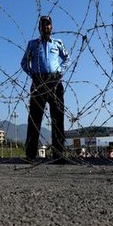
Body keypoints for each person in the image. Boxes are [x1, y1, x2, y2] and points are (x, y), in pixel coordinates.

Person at [20, 15, 70, 162]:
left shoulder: (58, 43)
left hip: (55, 82)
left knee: (58, 118)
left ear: (52, 27)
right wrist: (33, 74)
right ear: (39, 28)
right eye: (43, 25)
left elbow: (67, 58)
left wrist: (60, 71)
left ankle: (58, 155)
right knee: (34, 119)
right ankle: (30, 155)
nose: (46, 27)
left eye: (48, 24)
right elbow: (24, 62)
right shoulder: (32, 44)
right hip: (38, 82)